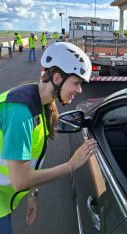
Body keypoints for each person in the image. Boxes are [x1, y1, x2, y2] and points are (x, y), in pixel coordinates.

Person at [0, 42, 97, 234]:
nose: (79, 91)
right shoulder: (20, 111)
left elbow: (30, 159)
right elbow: (20, 179)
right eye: (76, 83)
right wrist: (70, 166)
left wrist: (32, 194)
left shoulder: (41, 103)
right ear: (58, 78)